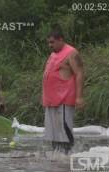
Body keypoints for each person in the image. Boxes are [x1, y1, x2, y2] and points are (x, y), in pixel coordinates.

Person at [42, 26, 84, 154]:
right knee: (53, 131)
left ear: (61, 39)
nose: (50, 45)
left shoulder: (72, 53)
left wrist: (79, 97)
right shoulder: (53, 54)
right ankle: (56, 155)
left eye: (52, 42)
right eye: (48, 42)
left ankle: (69, 154)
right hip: (51, 100)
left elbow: (80, 73)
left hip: (65, 98)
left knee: (64, 130)